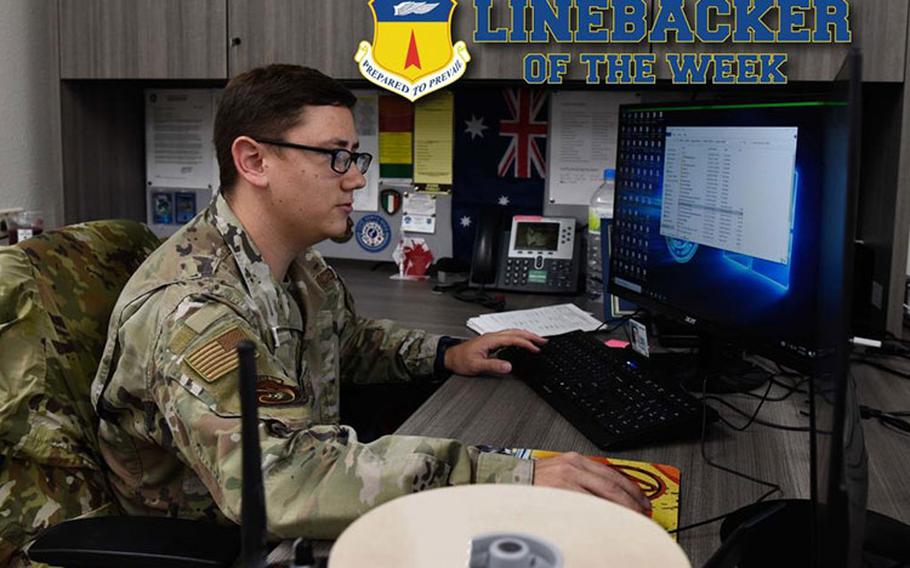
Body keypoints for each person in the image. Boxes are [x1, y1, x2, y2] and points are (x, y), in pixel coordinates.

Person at [91, 64, 650, 540]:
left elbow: (349, 341)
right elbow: (279, 481)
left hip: (296, 507)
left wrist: (447, 353)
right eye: (336, 155)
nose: (357, 177)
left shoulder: (298, 265)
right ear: (254, 161)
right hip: (227, 539)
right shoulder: (195, 312)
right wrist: (509, 476)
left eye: (354, 155)